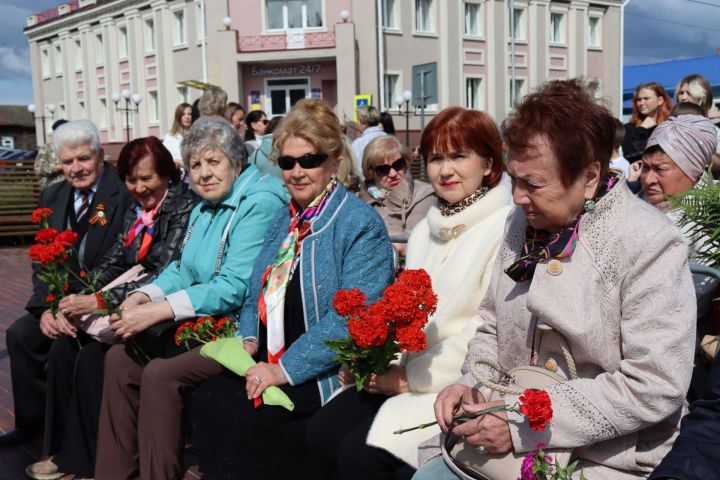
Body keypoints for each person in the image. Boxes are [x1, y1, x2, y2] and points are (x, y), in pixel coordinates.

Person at [413, 78, 695, 479]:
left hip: (606, 455)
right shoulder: (521, 221)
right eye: (514, 179)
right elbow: (492, 324)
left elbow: (655, 383)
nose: (517, 197)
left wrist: (524, 424)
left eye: (534, 183)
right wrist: (471, 385)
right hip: (499, 434)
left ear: (591, 176)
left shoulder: (650, 242)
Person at [190, 98, 396, 480]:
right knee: (208, 400)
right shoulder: (284, 219)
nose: (297, 171)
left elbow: (353, 316)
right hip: (265, 360)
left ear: (333, 161)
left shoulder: (358, 224)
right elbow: (256, 290)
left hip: (321, 371)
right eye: (287, 162)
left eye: (309, 160)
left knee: (252, 421)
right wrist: (249, 336)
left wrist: (284, 369)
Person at [307, 106, 513, 480]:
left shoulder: (504, 229)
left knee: (361, 455)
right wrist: (370, 357)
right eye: (436, 158)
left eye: (458, 156)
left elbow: (485, 328)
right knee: (320, 433)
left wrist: (408, 379)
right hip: (401, 374)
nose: (445, 170)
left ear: (489, 164)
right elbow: (404, 315)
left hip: (455, 386)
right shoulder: (424, 233)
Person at [94, 116, 288, 479]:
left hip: (239, 332)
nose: (203, 174)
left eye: (214, 162)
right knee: (119, 360)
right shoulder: (203, 207)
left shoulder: (258, 204)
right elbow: (182, 267)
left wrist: (159, 310)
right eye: (195, 165)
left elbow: (235, 287)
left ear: (236, 161)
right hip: (198, 321)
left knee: (159, 374)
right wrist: (142, 295)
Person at [26, 137, 198, 479]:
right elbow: (117, 258)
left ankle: (91, 459)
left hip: (161, 305)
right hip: (132, 297)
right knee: (64, 346)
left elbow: (166, 270)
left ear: (166, 173)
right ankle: (66, 453)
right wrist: (82, 297)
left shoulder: (182, 206)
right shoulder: (141, 211)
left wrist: (100, 301)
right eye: (131, 180)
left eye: (146, 178)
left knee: (93, 358)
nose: (138, 187)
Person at [1, 120, 134, 447]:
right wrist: (47, 308)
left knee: (68, 347)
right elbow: (41, 260)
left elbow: (122, 261)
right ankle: (32, 426)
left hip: (101, 302)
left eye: (84, 159)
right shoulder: (53, 194)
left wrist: (81, 305)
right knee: (21, 334)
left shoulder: (121, 193)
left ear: (100, 156)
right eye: (68, 161)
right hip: (61, 302)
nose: (76, 168)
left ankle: (72, 437)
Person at [639, 114, 717, 263]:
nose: (648, 180)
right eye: (645, 167)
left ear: (692, 172)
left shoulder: (710, 221)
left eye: (660, 169)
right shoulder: (633, 202)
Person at [357, 135, 435, 247]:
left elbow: (413, 242)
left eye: (398, 165)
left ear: (406, 163)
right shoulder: (357, 200)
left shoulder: (424, 194)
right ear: (370, 172)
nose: (393, 174)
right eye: (383, 169)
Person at [623, 82, 672, 162]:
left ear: (660, 100)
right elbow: (630, 154)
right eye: (639, 99)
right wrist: (642, 129)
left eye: (646, 98)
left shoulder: (669, 126)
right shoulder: (629, 128)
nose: (641, 103)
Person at [351, 106, 387, 180]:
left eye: (358, 120)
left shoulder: (358, 143)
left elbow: (356, 169)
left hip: (367, 186)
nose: (357, 123)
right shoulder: (390, 138)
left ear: (364, 123)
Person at [34, 119, 68, 189]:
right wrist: (57, 167)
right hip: (55, 188)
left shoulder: (76, 146)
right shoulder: (47, 148)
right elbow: (39, 169)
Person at [162, 102, 192, 167]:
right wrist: (178, 162)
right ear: (178, 116)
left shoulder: (197, 135)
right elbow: (163, 158)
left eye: (189, 114)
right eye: (183, 114)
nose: (187, 117)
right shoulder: (170, 137)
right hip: (178, 174)